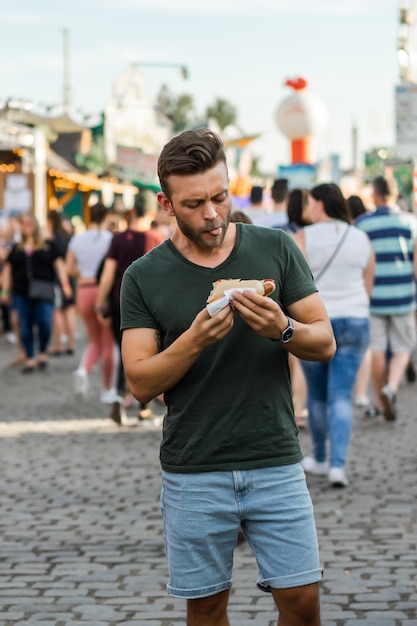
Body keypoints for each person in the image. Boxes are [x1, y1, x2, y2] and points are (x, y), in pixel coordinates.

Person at [120, 129, 336, 625]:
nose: (212, 214)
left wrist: (282, 329)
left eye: (220, 196)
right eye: (194, 203)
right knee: (209, 608)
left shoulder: (275, 249)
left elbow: (324, 342)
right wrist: (195, 338)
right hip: (194, 468)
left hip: (275, 459)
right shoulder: (144, 276)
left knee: (303, 603)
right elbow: (140, 383)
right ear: (166, 203)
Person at [294, 184, 374, 487]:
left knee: (317, 395)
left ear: (320, 205)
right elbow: (368, 283)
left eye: (310, 202)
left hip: (317, 322)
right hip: (355, 319)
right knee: (341, 394)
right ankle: (338, 466)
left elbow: (295, 282)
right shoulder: (361, 237)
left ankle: (321, 457)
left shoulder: (303, 237)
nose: (308, 209)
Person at [95, 193, 166, 424]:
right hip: (149, 306)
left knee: (126, 353)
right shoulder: (156, 238)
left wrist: (100, 302)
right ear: (151, 213)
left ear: (132, 212)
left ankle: (118, 398)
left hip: (119, 303)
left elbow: (107, 275)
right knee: (144, 355)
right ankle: (143, 408)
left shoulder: (118, 239)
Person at [356, 175, 417, 420]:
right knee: (403, 348)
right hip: (403, 296)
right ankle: (391, 388)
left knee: (378, 350)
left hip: (374, 297)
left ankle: (381, 403)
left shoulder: (362, 224)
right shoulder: (410, 222)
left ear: (374, 194)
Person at [1, 213, 72, 372]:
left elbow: (59, 265)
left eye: (29, 222)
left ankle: (42, 351)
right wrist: (5, 291)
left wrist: (66, 285)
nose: (26, 225)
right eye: (23, 222)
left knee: (45, 322)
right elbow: (7, 270)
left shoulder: (48, 245)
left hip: (43, 290)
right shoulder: (16, 248)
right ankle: (30, 357)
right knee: (25, 325)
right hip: (21, 292)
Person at [66, 202, 117, 403]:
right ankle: (107, 389)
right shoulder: (110, 239)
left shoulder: (77, 239)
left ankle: (83, 370)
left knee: (94, 339)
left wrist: (82, 274)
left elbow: (70, 268)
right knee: (108, 342)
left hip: (84, 289)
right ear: (107, 216)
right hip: (103, 291)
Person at [46, 209, 76, 356]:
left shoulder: (52, 237)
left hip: (59, 278)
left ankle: (58, 345)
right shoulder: (66, 235)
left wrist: (64, 283)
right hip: (68, 277)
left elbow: (58, 262)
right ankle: (70, 343)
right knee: (69, 310)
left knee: (57, 311)